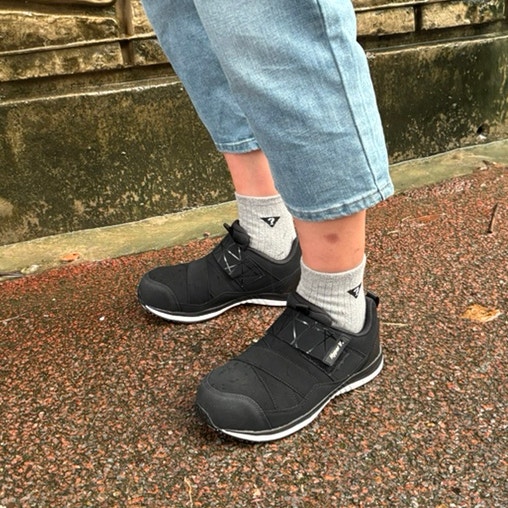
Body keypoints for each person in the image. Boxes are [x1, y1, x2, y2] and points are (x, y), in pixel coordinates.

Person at [138, 0, 394, 442]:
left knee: (272, 19)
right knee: (191, 22)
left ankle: (339, 309)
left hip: (339, 317)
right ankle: (266, 240)